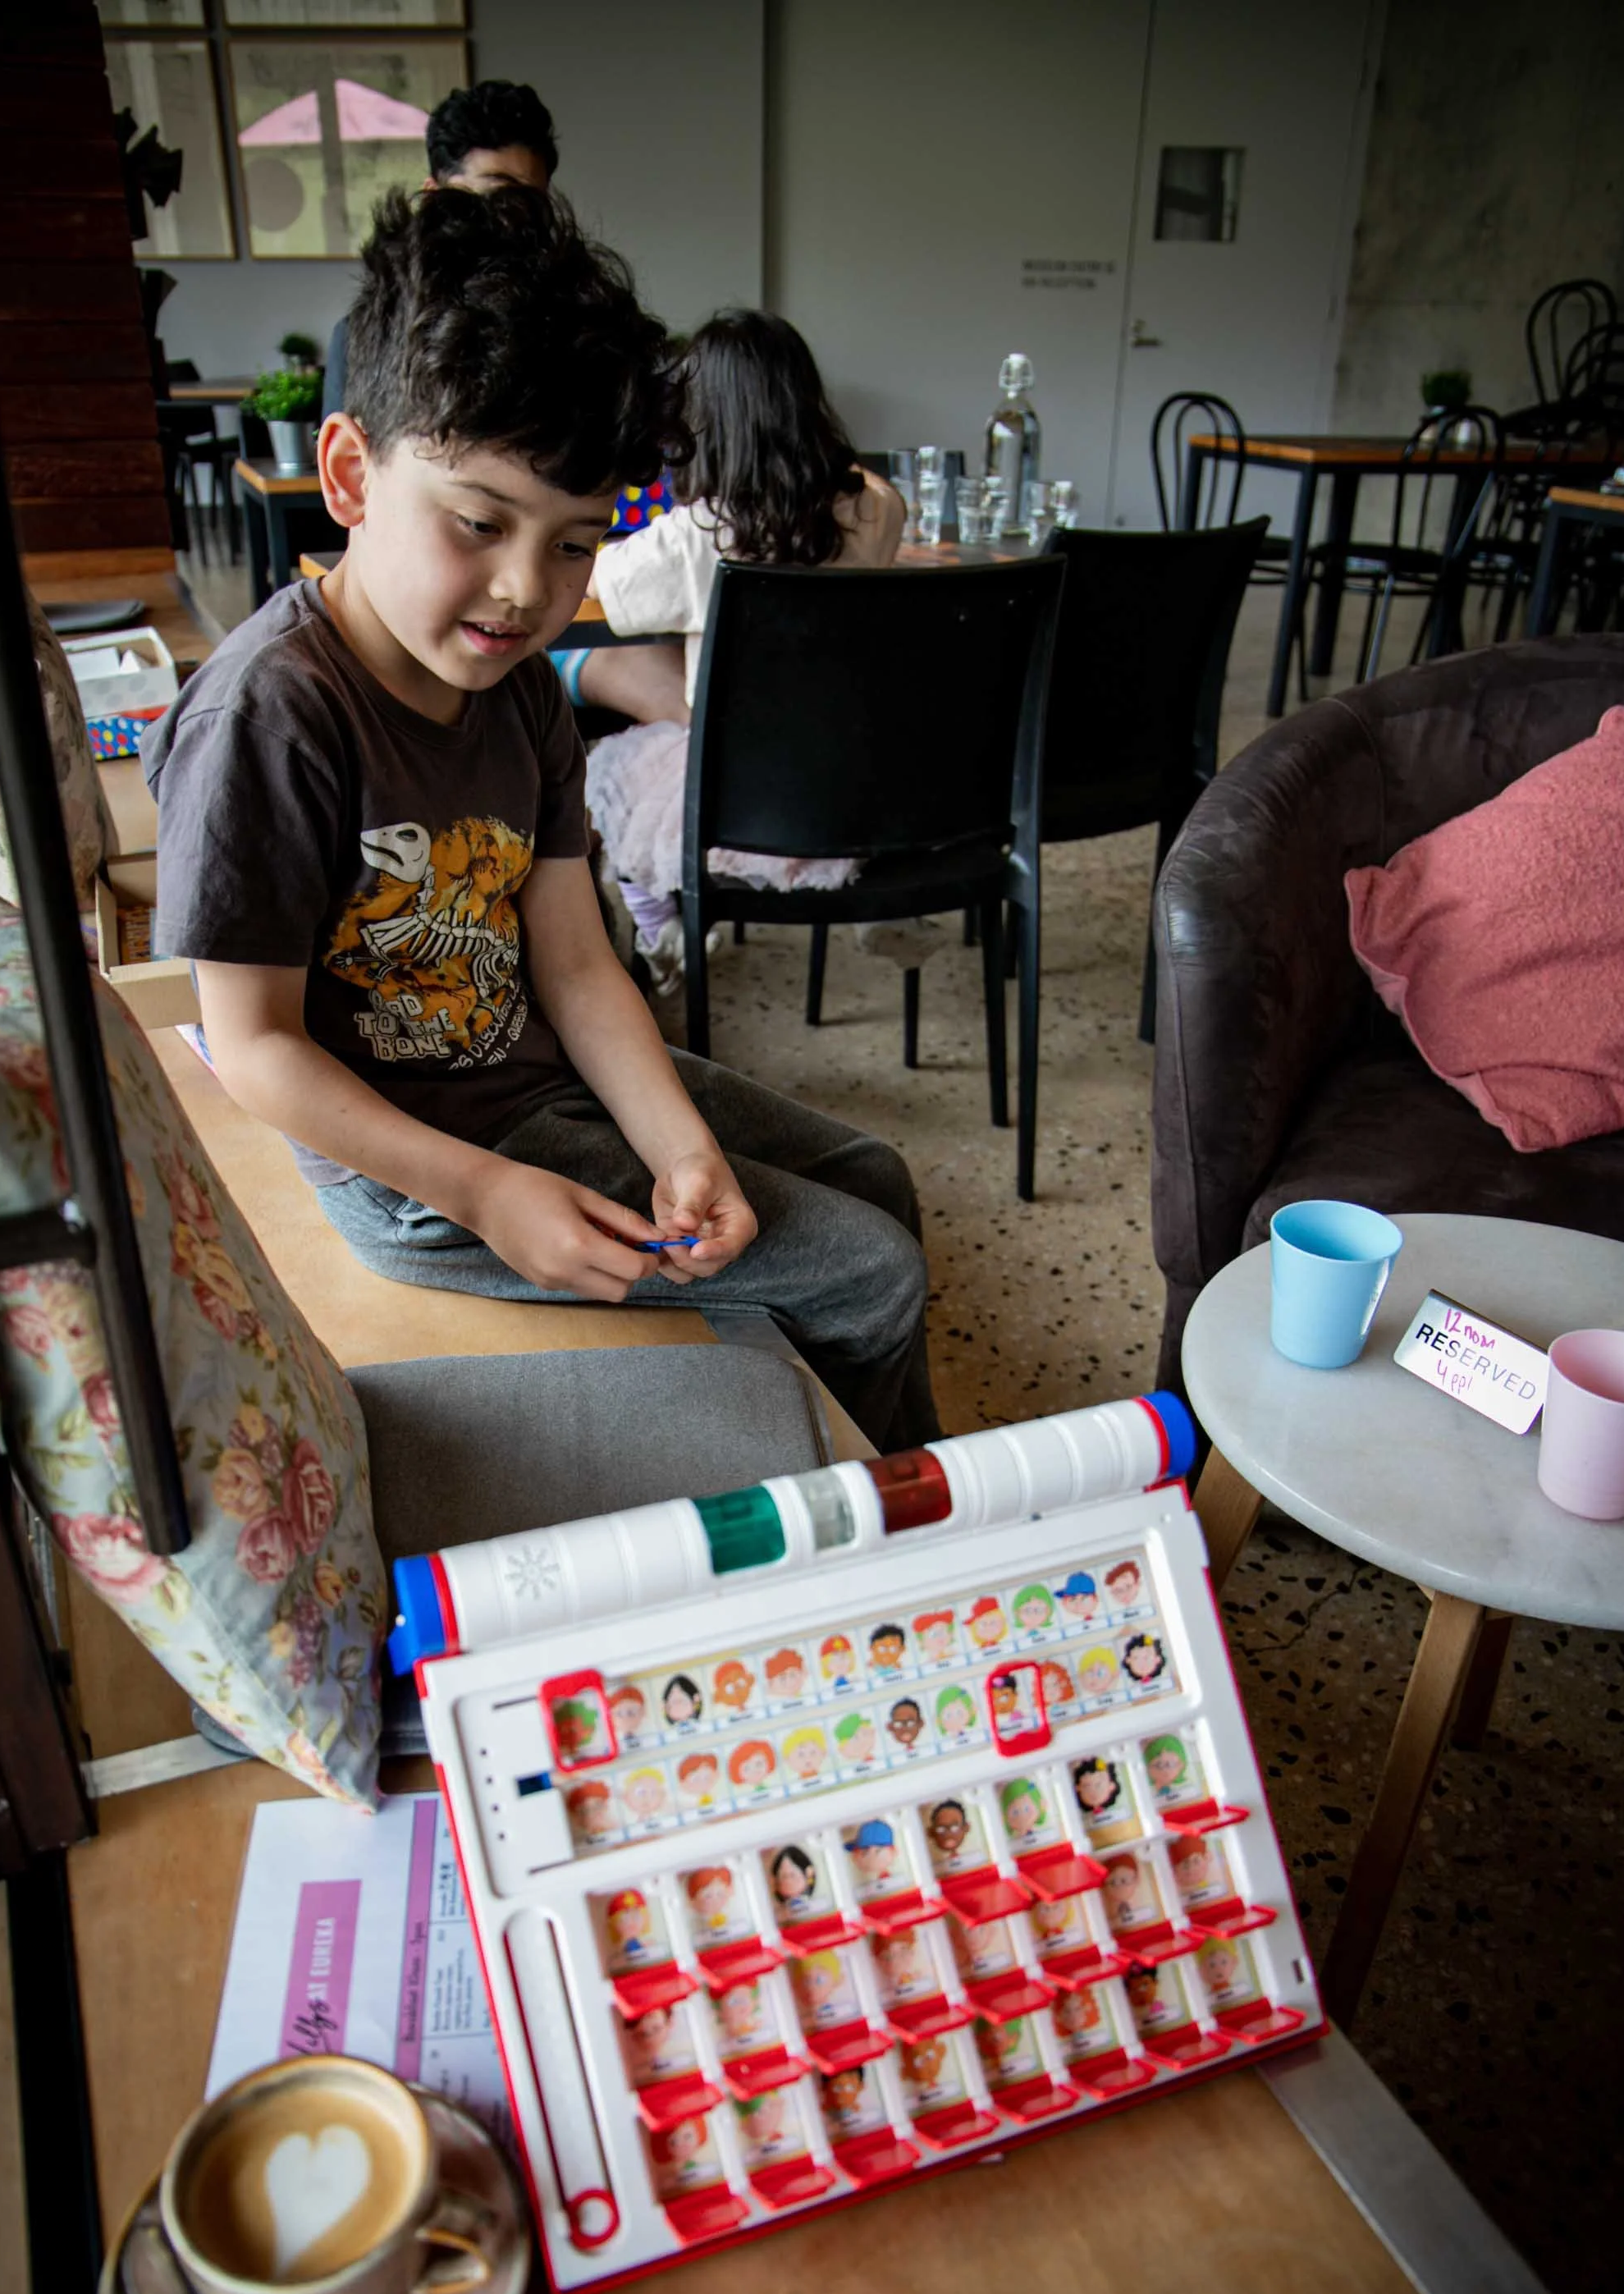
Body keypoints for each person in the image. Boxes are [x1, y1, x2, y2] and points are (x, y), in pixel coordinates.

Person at [149, 188, 939, 1455]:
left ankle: (835, 1460)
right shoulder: (270, 715)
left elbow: (573, 960)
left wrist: (677, 1142)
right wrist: (485, 1194)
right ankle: (889, 1532)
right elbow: (250, 1046)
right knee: (871, 1273)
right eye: (478, 523)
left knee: (874, 1181)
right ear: (349, 474)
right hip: (428, 1174)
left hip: (533, 1079)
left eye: (576, 544)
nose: (528, 590)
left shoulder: (520, 690)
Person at [574, 309, 936, 990]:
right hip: (857, 778)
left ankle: (662, 937)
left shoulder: (696, 534)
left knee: (614, 789)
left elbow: (598, 582)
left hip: (735, 791)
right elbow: (861, 492)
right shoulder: (878, 507)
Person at [319, 79, 559, 423]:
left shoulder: (572, 330)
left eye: (531, 201)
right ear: (434, 195)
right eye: (497, 195)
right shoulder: (370, 335)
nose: (515, 220)